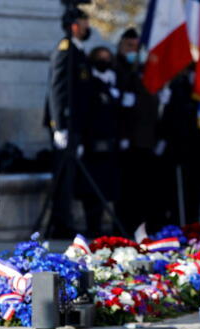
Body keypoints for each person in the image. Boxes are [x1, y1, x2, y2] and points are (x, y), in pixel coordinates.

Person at [43, 7, 91, 238]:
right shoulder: (66, 49)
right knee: (63, 177)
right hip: (65, 125)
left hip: (75, 125)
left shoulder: (78, 51)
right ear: (74, 25)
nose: (87, 26)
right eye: (84, 22)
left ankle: (65, 221)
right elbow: (57, 90)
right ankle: (60, 224)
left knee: (70, 176)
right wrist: (58, 125)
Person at [114, 28, 164, 234]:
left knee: (144, 190)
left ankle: (141, 228)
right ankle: (124, 228)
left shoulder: (144, 70)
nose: (133, 50)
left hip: (145, 139)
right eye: (129, 46)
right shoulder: (116, 68)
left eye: (136, 46)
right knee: (126, 191)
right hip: (125, 140)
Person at [159, 66, 200, 225]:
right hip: (179, 149)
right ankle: (177, 225)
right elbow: (171, 118)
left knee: (195, 196)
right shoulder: (178, 87)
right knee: (177, 196)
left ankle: (193, 225)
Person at [76, 46, 121, 237]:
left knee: (106, 189)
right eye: (100, 58)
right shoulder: (88, 82)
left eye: (107, 58)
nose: (105, 61)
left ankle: (102, 226)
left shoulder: (113, 80)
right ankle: (92, 226)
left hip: (110, 147)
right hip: (92, 146)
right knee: (91, 191)